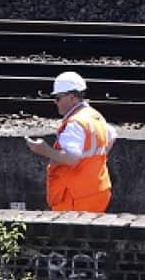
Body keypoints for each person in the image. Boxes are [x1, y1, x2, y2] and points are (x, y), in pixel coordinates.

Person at [25, 71, 116, 213]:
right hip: (98, 191)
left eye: (58, 98)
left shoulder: (75, 123)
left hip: (74, 197)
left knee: (70, 235)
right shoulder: (95, 116)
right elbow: (111, 136)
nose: (55, 102)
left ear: (72, 97)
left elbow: (72, 158)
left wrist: (44, 150)